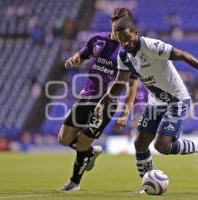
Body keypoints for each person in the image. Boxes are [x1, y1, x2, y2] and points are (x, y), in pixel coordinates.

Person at [94, 17, 198, 189]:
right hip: (156, 102)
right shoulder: (124, 57)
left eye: (128, 38)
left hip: (177, 99)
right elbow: (120, 84)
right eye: (121, 40)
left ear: (135, 33)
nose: (125, 43)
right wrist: (102, 102)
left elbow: (183, 55)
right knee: (140, 143)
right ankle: (146, 184)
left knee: (162, 146)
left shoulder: (151, 46)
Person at [58, 8, 138, 191]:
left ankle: (74, 182)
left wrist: (125, 113)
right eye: (118, 23)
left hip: (107, 104)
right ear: (112, 21)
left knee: (82, 143)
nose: (121, 29)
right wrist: (74, 60)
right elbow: (82, 56)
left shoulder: (128, 51)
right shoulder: (97, 40)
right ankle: (90, 153)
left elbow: (132, 85)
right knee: (63, 139)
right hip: (85, 97)